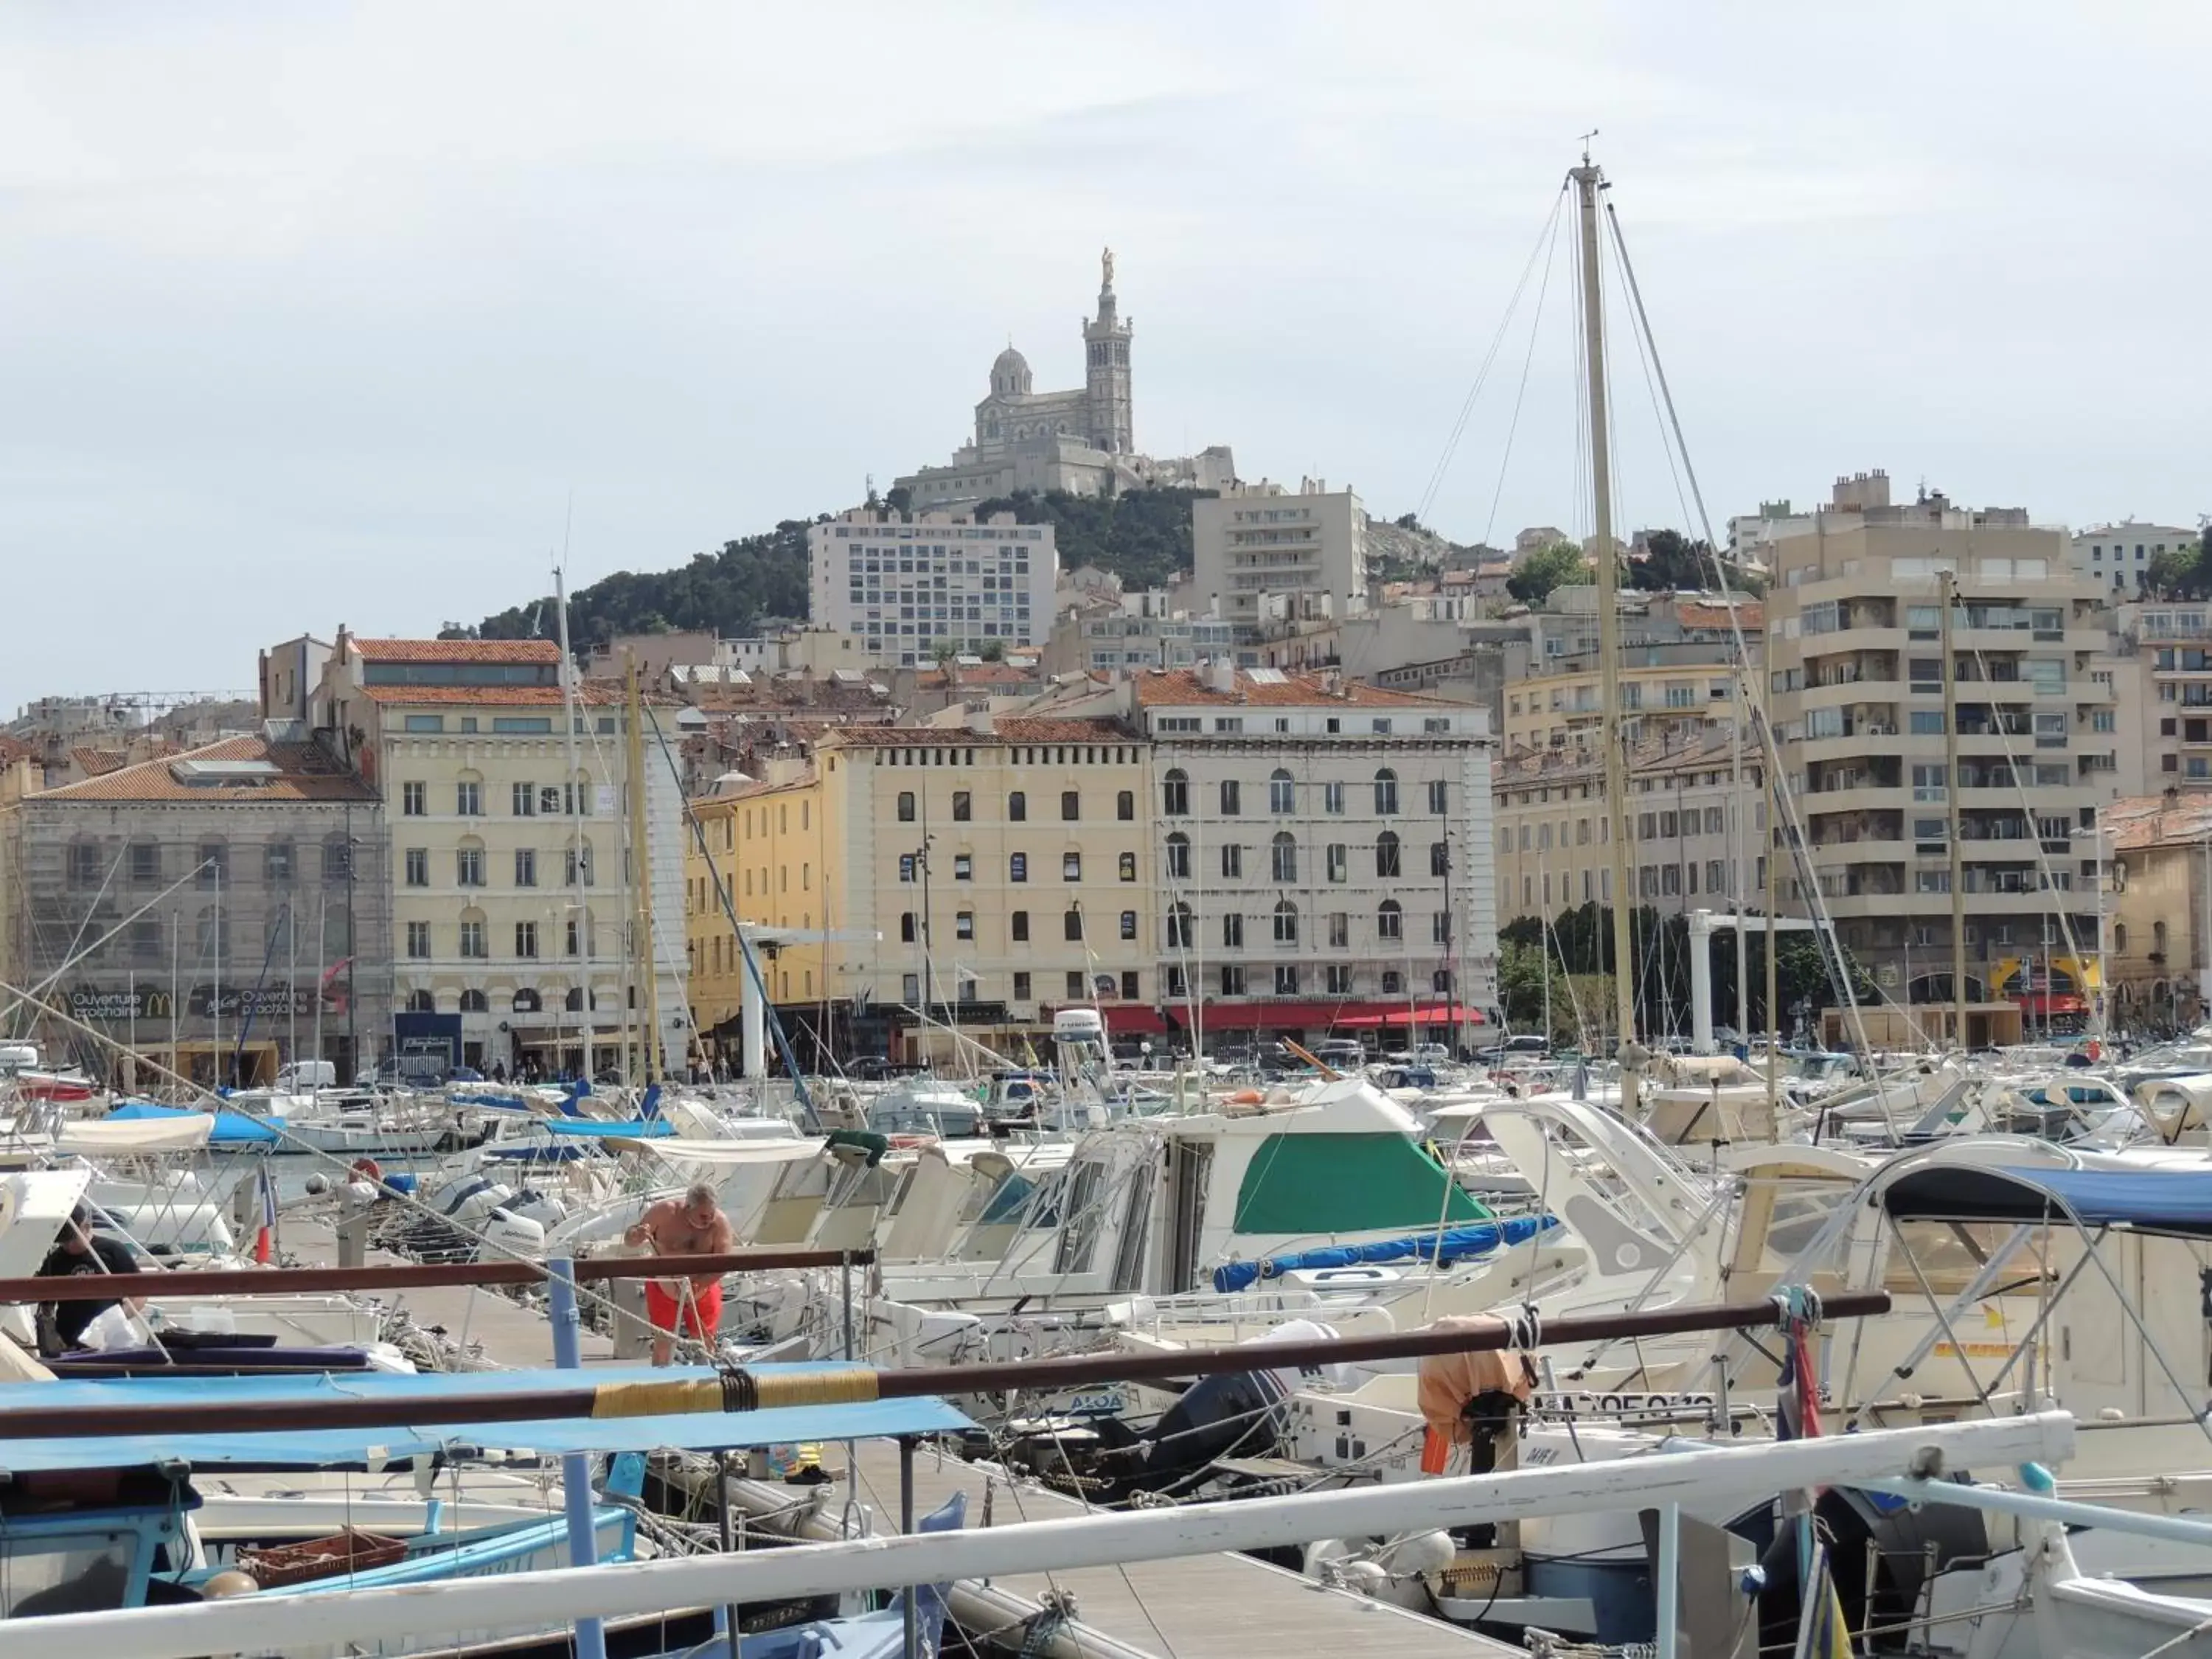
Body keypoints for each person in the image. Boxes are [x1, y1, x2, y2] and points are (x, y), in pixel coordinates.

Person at [623, 1181, 732, 1366]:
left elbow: (723, 1264)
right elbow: (630, 1240)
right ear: (688, 1207)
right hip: (664, 1286)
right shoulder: (665, 1213)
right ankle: (662, 1386)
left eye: (712, 1214)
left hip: (702, 1288)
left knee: (705, 1344)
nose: (709, 1220)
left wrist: (700, 1284)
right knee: (663, 1341)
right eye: (704, 1216)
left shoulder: (719, 1223)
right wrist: (637, 1234)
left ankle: (705, 1386)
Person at [37, 1205, 142, 1354]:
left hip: (109, 1342)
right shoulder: (55, 1261)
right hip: (69, 1345)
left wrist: (117, 1320)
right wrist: (52, 1334)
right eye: (63, 1242)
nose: (68, 1246)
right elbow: (46, 1305)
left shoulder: (112, 1251)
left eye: (72, 1239)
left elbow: (140, 1293)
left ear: (86, 1227)